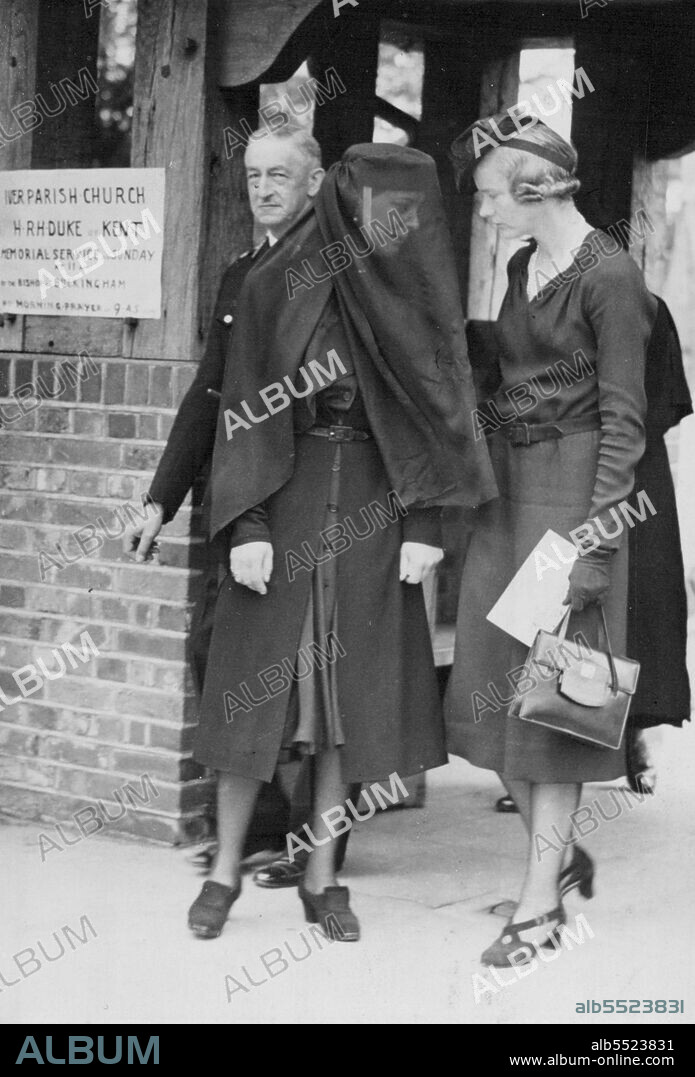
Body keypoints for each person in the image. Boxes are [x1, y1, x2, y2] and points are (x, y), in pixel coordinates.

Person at [186, 138, 497, 941]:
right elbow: (240, 408)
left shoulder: (413, 297)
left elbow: (438, 416)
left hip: (374, 513)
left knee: (344, 711)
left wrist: (425, 525)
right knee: (251, 701)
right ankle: (223, 870)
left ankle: (323, 878)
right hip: (280, 504)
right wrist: (246, 524)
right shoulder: (273, 283)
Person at [444, 113, 667, 968]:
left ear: (535, 189)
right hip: (509, 496)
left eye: (491, 197)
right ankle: (559, 858)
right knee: (487, 688)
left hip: (572, 498)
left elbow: (624, 422)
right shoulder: (520, 265)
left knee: (553, 705)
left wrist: (595, 543)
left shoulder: (608, 277)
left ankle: (539, 905)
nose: (485, 212)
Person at [125, 122, 357, 882]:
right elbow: (210, 391)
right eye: (253, 175)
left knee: (315, 672)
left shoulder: (338, 269)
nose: (262, 190)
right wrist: (160, 498)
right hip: (238, 494)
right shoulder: (240, 273)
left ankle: (317, 843)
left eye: (278, 176)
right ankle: (261, 824)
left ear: (315, 182)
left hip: (308, 490)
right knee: (218, 651)